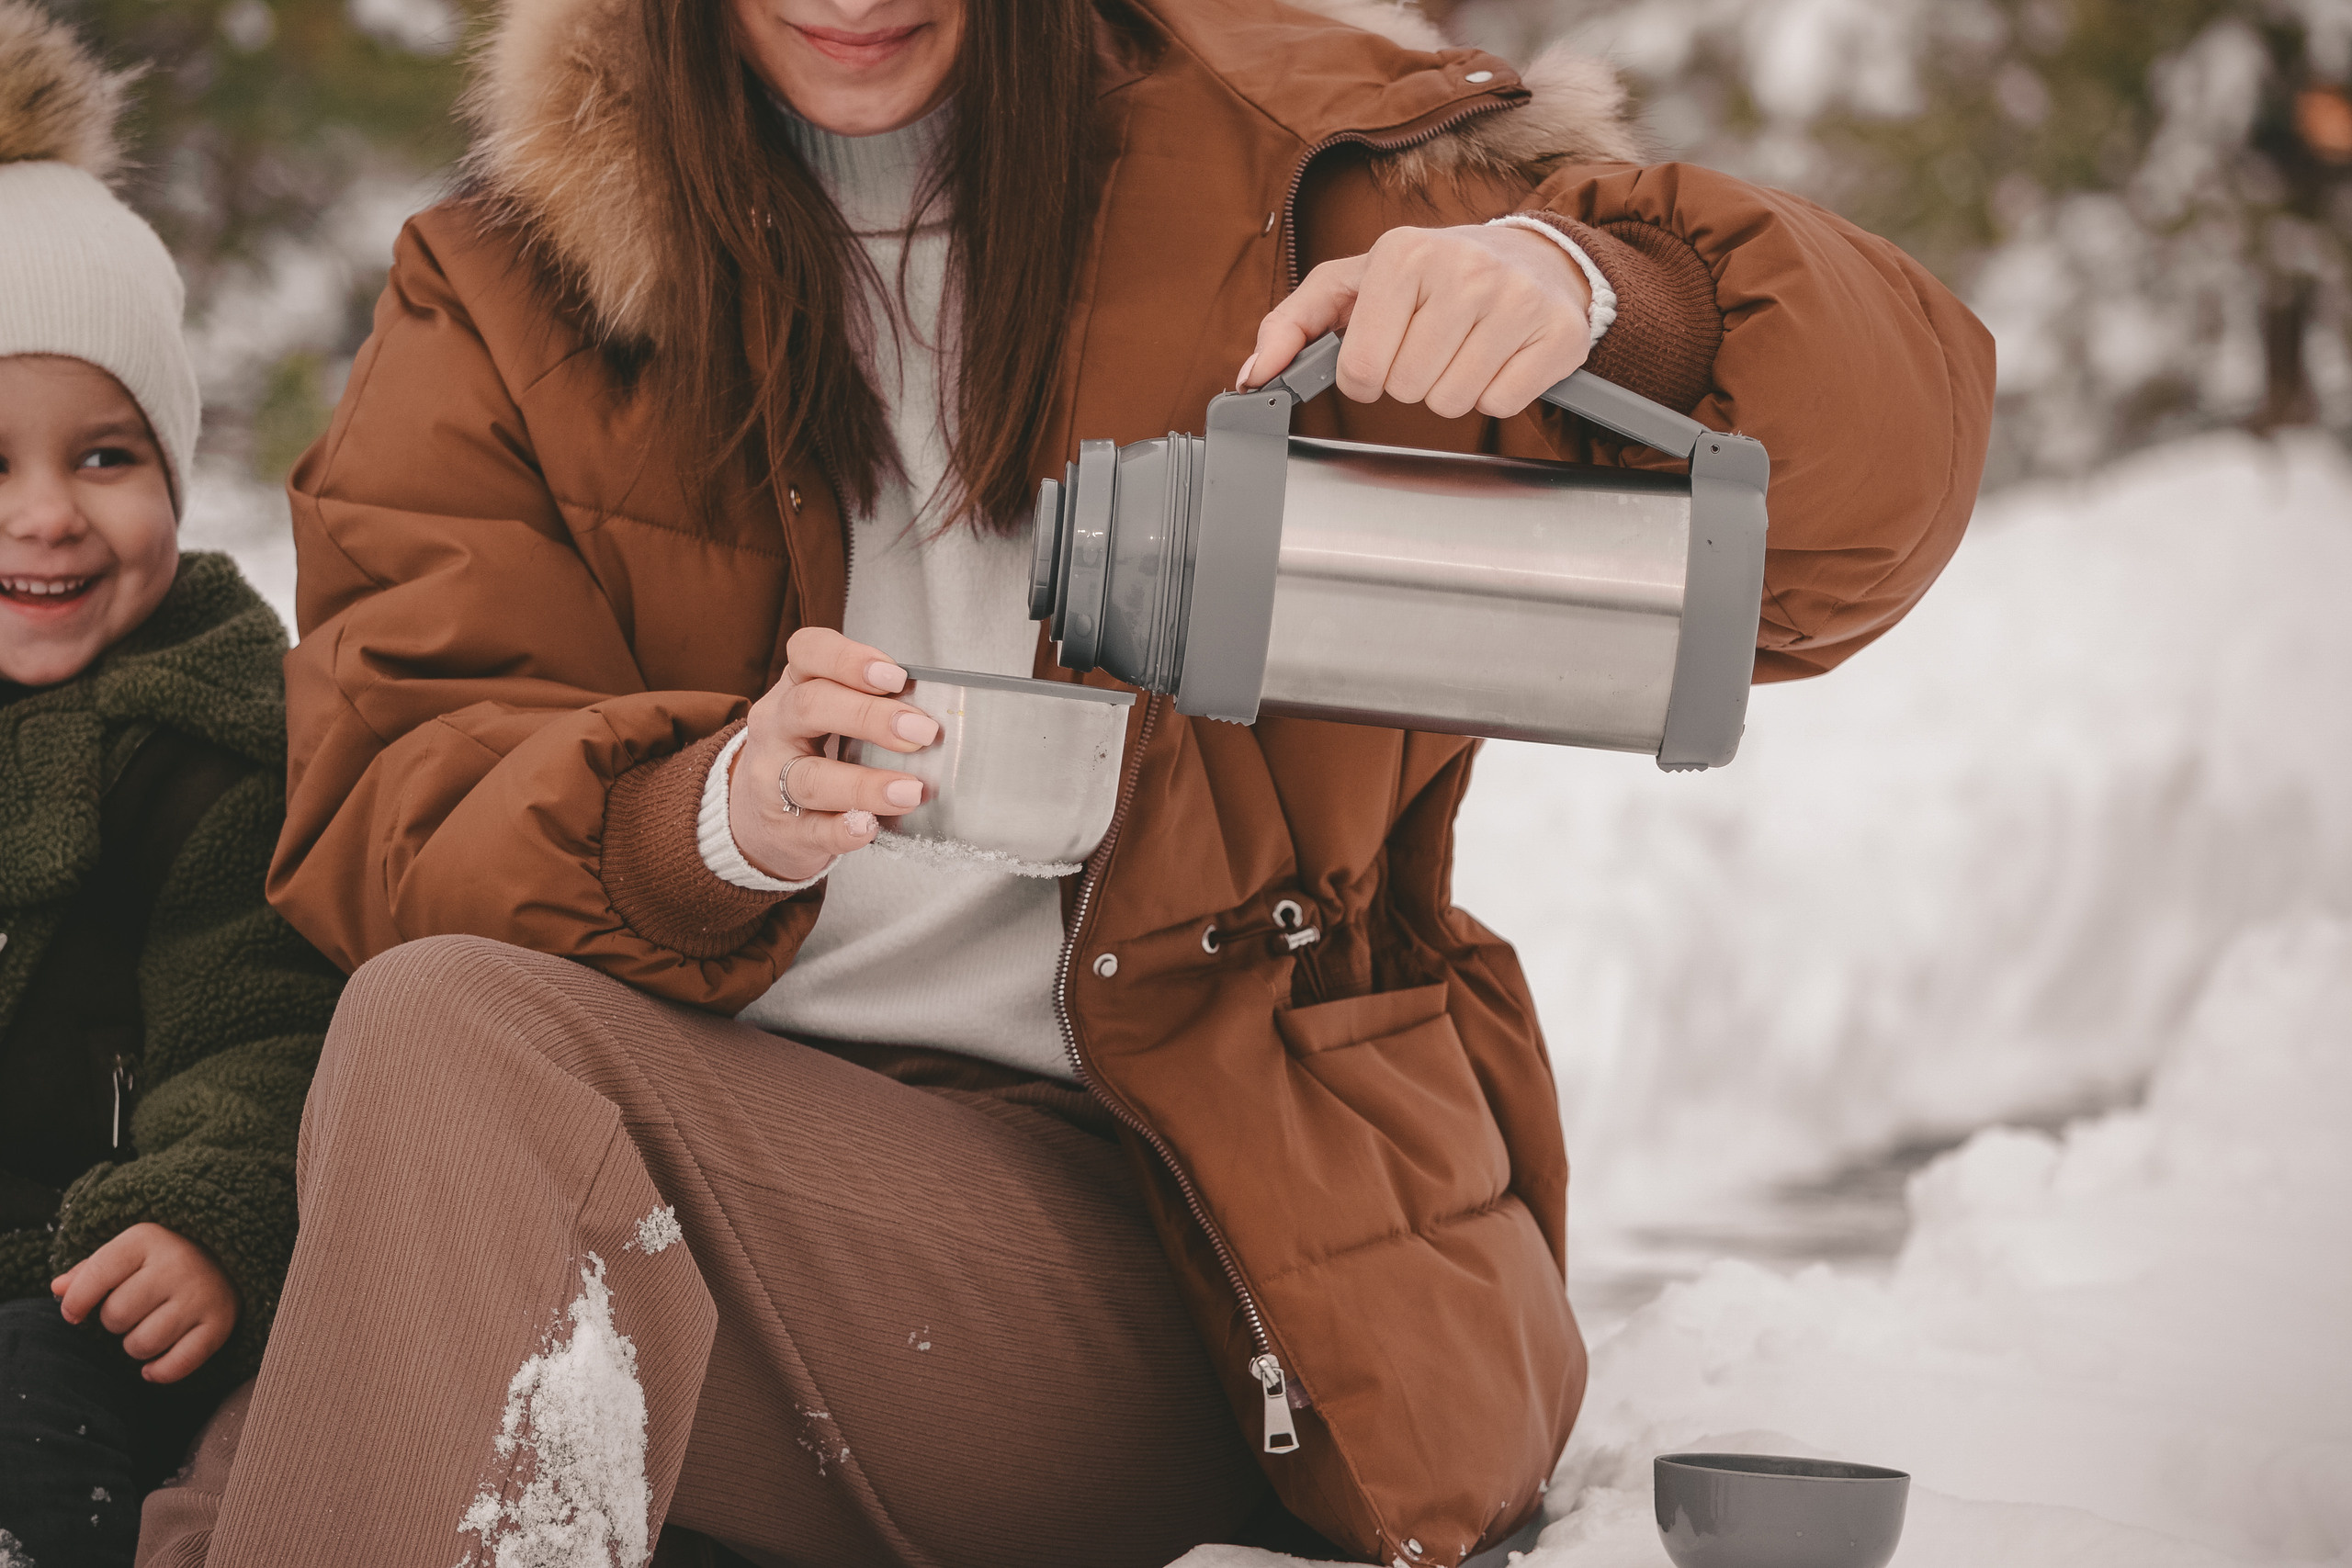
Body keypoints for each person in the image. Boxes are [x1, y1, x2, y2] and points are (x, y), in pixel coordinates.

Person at [160, 0, 1993, 1562]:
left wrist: (1592, 288)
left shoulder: (1302, 171)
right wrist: (702, 815)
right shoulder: (509, 282)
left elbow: (1867, 511)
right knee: (215, 1481)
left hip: (1204, 1244)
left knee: (433, 1099)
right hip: (710, 1156)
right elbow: (390, 780)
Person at [0, 9, 345, 1566]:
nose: (46, 520)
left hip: (86, 1294)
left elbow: (265, 1025)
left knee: (38, 1408)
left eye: (105, 457)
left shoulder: (210, 742)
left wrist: (204, 1214)